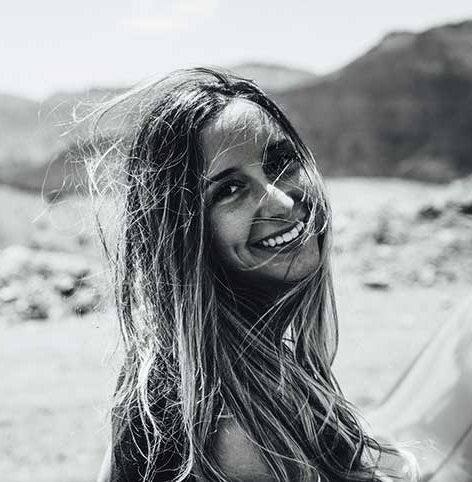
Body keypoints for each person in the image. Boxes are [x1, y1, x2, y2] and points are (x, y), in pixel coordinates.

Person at [88, 67, 415, 482]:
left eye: (281, 162)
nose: (280, 201)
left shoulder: (166, 373)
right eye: (229, 190)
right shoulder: (244, 432)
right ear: (184, 234)